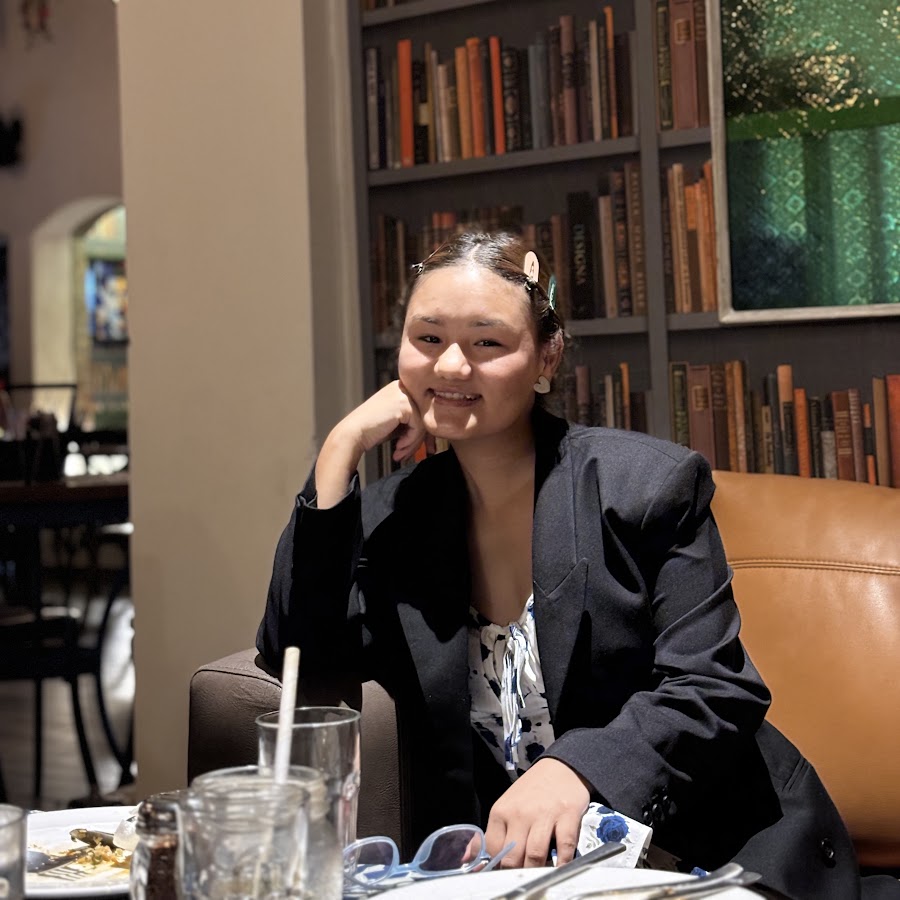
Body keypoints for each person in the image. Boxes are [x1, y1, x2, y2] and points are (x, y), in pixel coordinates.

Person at [257, 231, 897, 900]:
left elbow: (715, 688)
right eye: (428, 338)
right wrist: (340, 449)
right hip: (527, 877)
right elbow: (298, 654)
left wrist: (578, 769)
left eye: (486, 342)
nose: (450, 366)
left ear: (546, 357)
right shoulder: (395, 519)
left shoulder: (645, 488)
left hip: (711, 850)